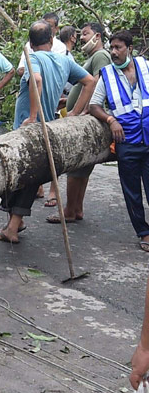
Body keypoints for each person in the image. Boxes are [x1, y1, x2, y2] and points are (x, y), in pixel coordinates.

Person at [0, 21, 96, 243]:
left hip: (28, 128)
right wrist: (76, 112)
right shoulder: (64, 60)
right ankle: (15, 224)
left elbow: (37, 80)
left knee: (14, 174)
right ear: (51, 40)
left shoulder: (34, 58)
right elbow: (90, 81)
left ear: (30, 43)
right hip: (47, 126)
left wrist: (31, 116)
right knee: (31, 178)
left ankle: (13, 225)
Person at [86, 30, 149, 252]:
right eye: (111, 47)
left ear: (129, 49)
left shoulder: (145, 66)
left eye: (118, 48)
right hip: (128, 142)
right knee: (132, 192)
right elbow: (93, 106)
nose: (113, 52)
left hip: (148, 138)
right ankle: (144, 233)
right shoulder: (107, 75)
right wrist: (110, 119)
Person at [54, 22, 112, 224]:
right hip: (84, 115)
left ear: (97, 35)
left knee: (75, 165)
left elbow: (97, 82)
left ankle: (69, 210)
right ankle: (76, 208)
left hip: (85, 117)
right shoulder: (95, 57)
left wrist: (79, 111)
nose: (81, 39)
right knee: (83, 167)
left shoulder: (101, 55)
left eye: (85, 34)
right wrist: (68, 101)